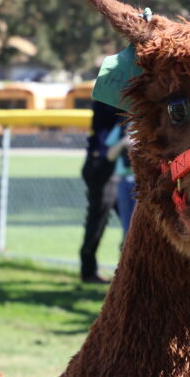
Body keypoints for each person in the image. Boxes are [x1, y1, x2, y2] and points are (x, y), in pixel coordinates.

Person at [79, 99, 123, 284]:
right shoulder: (108, 97)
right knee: (98, 219)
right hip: (102, 164)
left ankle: (127, 270)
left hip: (111, 166)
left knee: (130, 220)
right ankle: (88, 270)